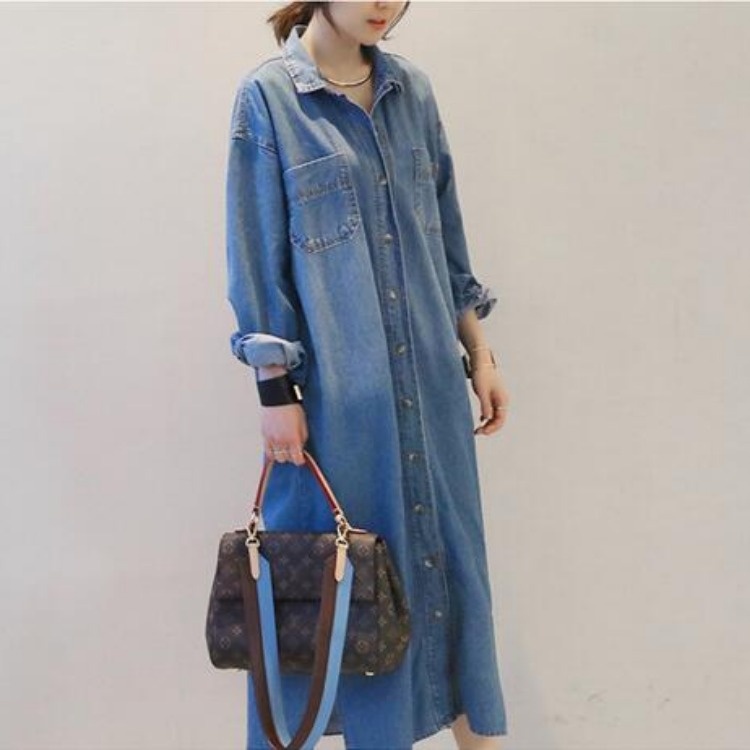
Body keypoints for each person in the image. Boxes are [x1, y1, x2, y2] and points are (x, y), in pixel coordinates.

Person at [224, 2, 511, 748]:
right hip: (339, 412)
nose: (385, 4)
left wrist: (480, 355)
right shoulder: (270, 99)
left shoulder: (413, 92)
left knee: (454, 579)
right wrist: (273, 388)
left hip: (433, 397)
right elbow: (254, 258)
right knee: (338, 595)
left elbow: (446, 239)